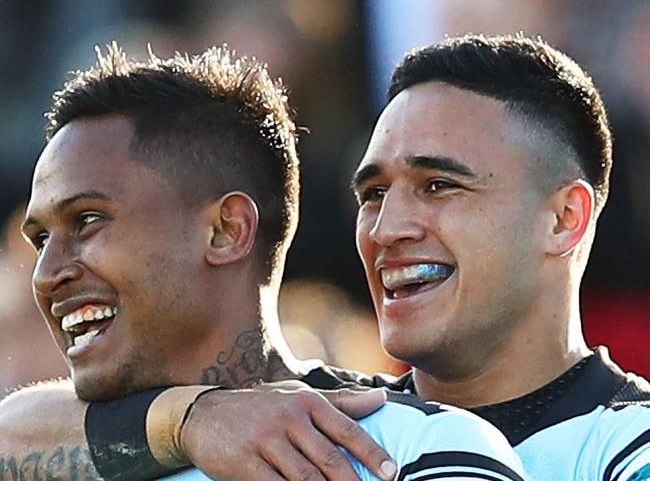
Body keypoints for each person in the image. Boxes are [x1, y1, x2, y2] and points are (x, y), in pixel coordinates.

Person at [0, 43, 531, 481]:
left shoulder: (416, 450)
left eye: (88, 221)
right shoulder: (58, 458)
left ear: (226, 230)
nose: (47, 273)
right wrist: (187, 420)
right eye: (41, 238)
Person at [349, 34, 650, 480]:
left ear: (564, 219)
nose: (386, 229)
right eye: (374, 194)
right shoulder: (305, 434)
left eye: (438, 185)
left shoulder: (629, 450)